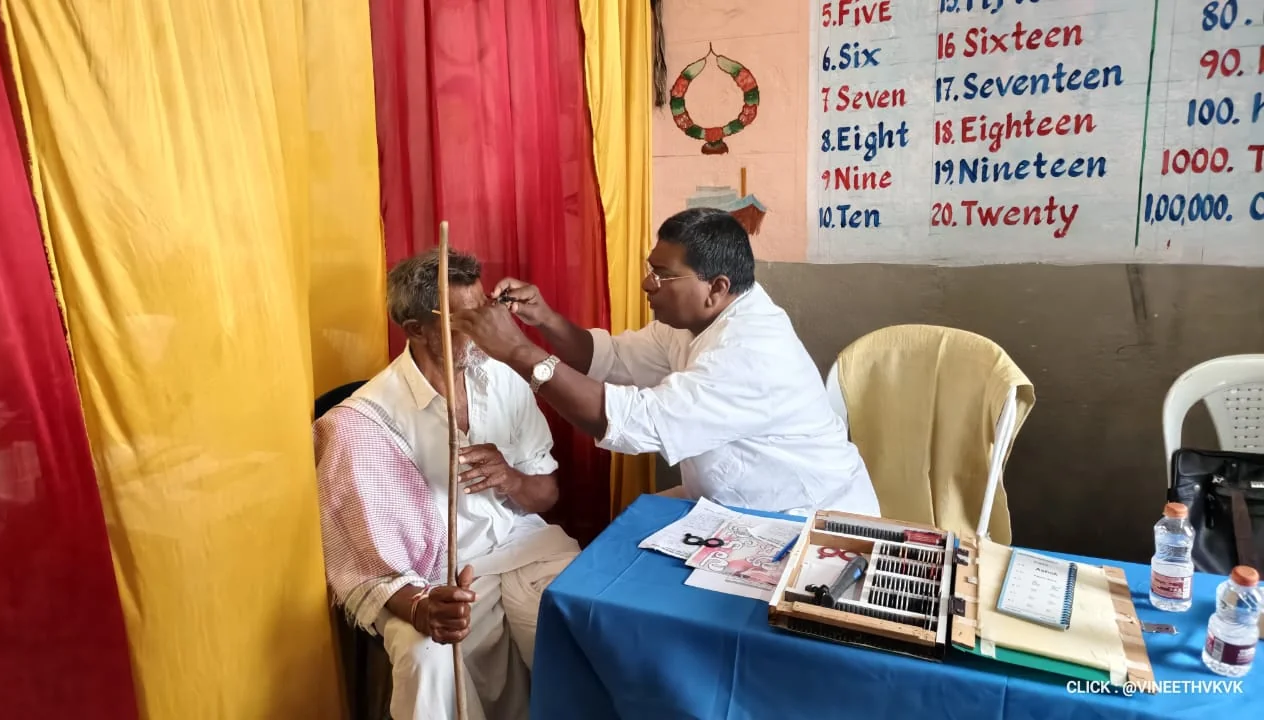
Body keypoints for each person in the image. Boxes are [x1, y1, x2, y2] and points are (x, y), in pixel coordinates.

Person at [454, 207, 879, 517]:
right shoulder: (695, 320)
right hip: (736, 504)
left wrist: (519, 352)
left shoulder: (749, 351)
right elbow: (610, 358)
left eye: (662, 275)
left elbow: (633, 423)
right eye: (648, 268)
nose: (646, 283)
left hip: (805, 518)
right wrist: (544, 319)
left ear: (716, 287)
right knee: (623, 544)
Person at [313, 249, 580, 720]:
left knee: (583, 627)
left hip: (525, 549)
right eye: (464, 319)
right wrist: (419, 609)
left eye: (484, 311)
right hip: (431, 577)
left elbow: (547, 494)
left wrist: (511, 478)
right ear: (415, 329)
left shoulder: (504, 379)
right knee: (427, 658)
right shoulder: (362, 425)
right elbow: (369, 566)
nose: (484, 329)